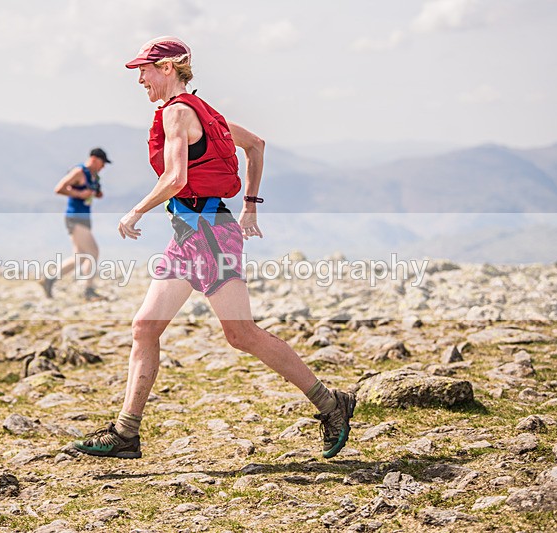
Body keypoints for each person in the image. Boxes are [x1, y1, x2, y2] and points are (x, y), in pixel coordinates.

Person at [73, 36, 355, 459]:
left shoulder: (177, 113)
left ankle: (332, 405)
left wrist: (135, 211)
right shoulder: (210, 114)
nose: (140, 79)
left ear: (168, 68)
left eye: (144, 70)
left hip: (205, 233)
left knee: (241, 333)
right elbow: (256, 145)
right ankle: (126, 433)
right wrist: (250, 207)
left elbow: (175, 179)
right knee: (146, 327)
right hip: (194, 231)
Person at [41, 148, 109, 301]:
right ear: (94, 159)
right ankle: (88, 290)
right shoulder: (79, 172)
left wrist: (96, 193)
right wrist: (79, 194)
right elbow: (59, 188)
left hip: (84, 217)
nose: (103, 167)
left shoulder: (93, 177)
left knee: (79, 257)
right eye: (102, 163)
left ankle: (49, 279)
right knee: (93, 252)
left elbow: (97, 193)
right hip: (75, 217)